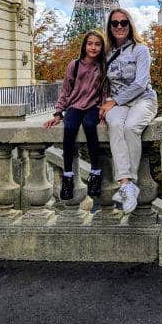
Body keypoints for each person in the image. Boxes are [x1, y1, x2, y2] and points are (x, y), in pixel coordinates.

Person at [100, 8, 158, 215]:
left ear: (130, 25)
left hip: (142, 100)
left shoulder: (140, 50)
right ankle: (126, 185)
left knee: (132, 127)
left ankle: (127, 183)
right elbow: (96, 81)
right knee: (115, 125)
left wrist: (113, 101)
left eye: (123, 23)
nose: (119, 27)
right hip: (115, 104)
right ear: (109, 27)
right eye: (114, 23)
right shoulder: (106, 52)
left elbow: (141, 83)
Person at [44, 30, 108, 201]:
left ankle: (95, 173)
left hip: (93, 107)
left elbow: (104, 92)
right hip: (74, 106)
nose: (93, 47)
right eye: (90, 43)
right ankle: (68, 175)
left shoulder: (103, 66)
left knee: (89, 126)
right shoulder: (75, 65)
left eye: (97, 44)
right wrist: (58, 112)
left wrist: (103, 111)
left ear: (102, 47)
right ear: (84, 45)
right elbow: (65, 90)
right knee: (70, 127)